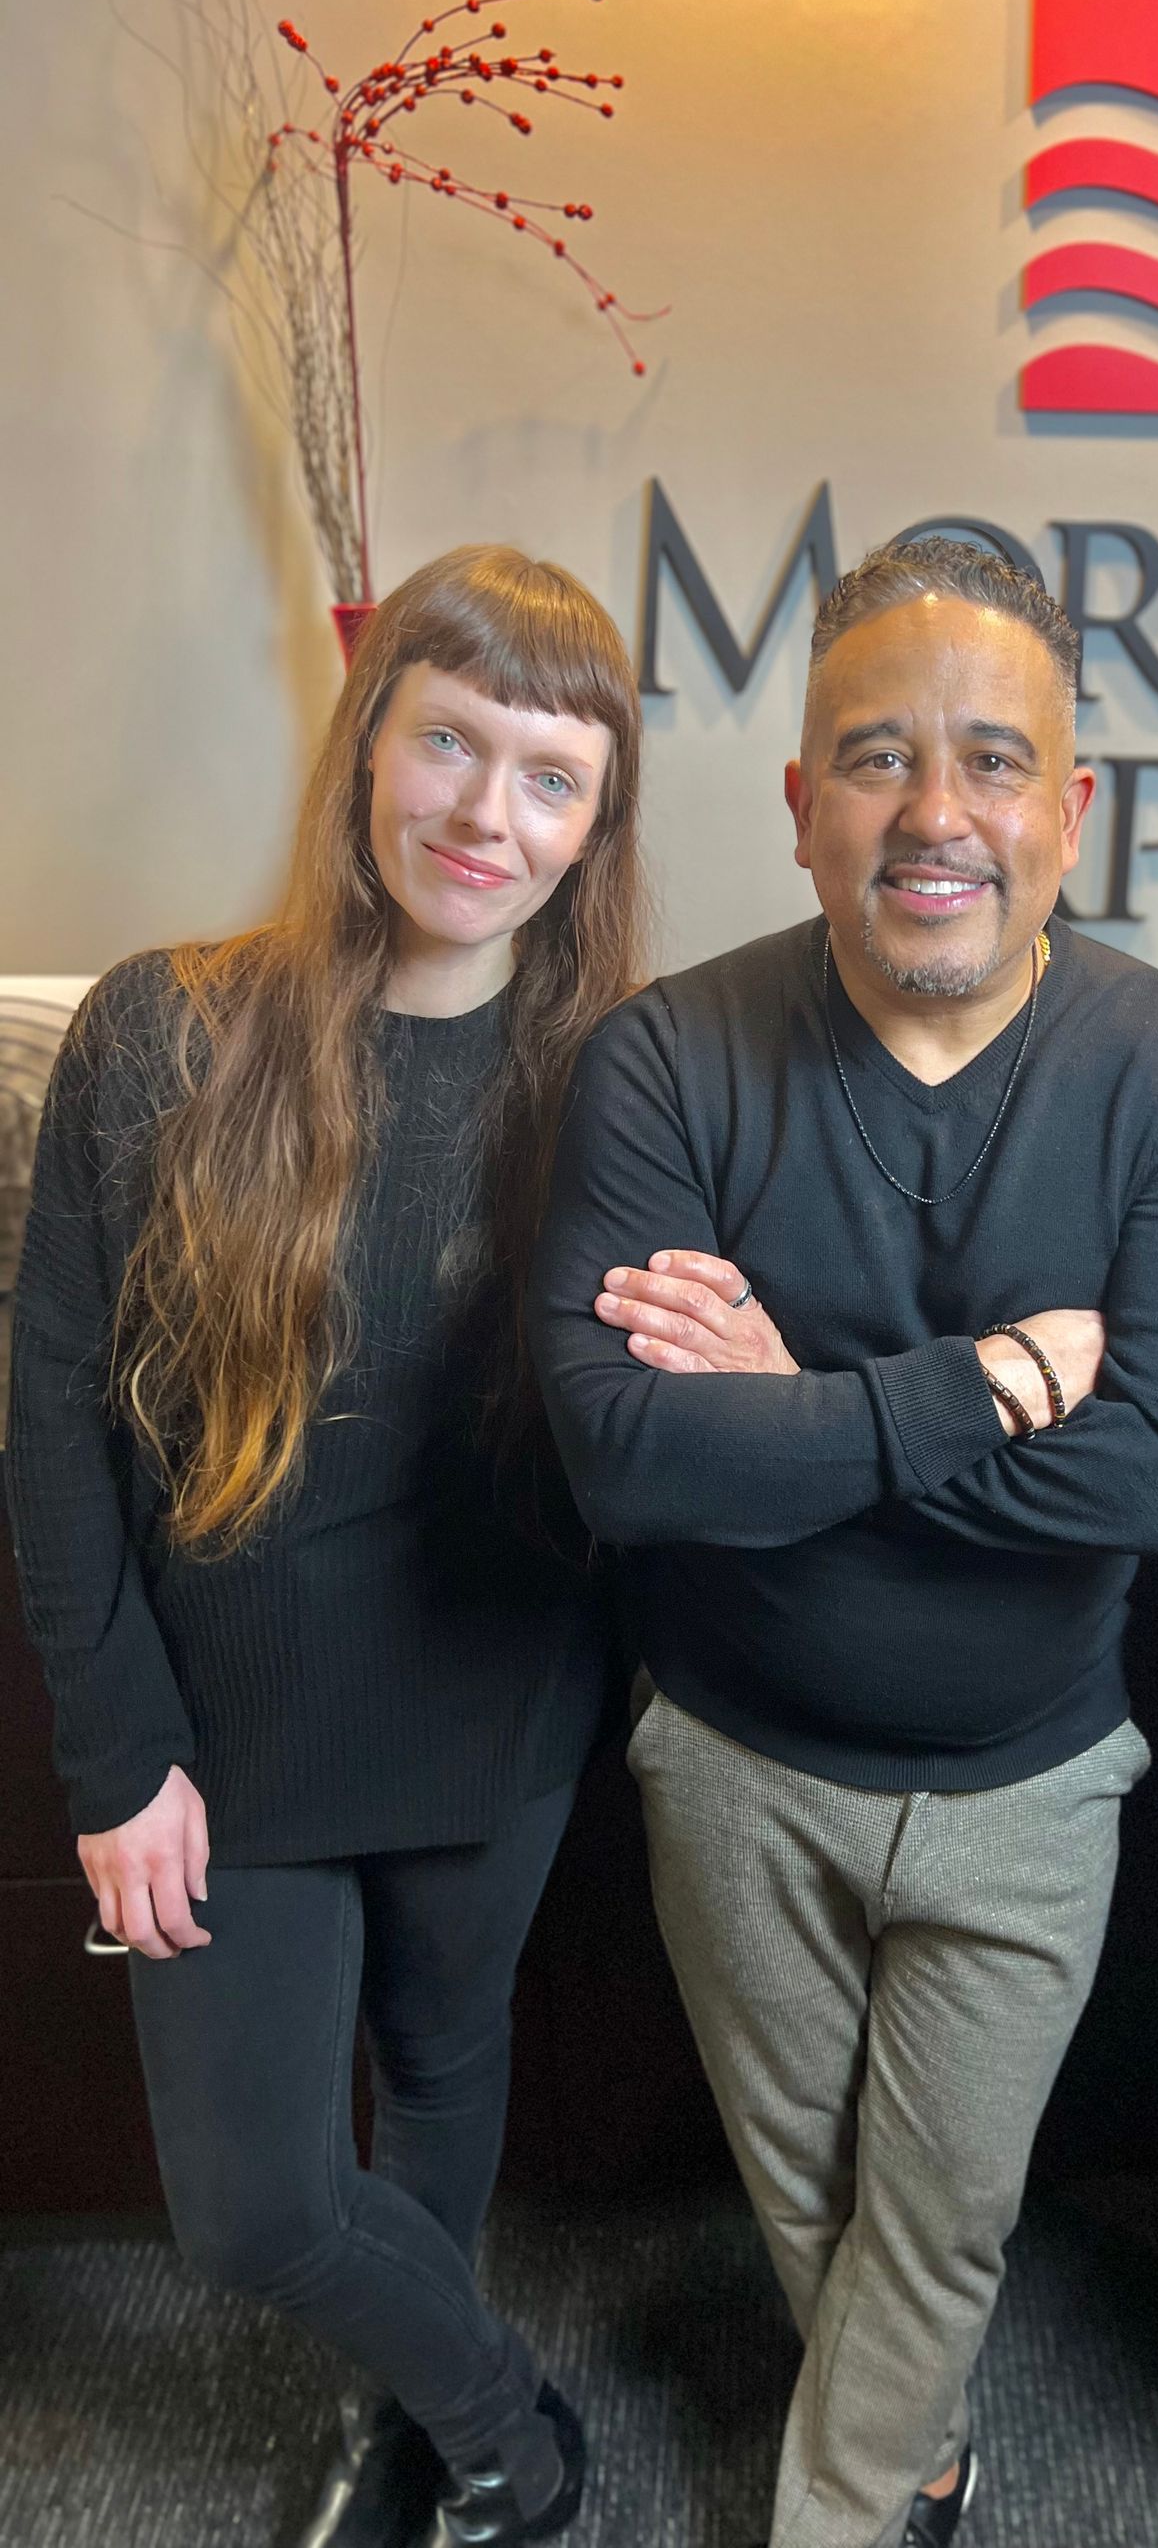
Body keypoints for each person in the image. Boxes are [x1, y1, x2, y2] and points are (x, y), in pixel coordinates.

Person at [529, 535, 1158, 2548]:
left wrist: (783, 1400)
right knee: (806, 2187)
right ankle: (928, 2448)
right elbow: (623, 1455)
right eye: (875, 758)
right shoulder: (668, 1060)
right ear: (799, 808)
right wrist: (971, 1388)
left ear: (1073, 810)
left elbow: (1147, 1481)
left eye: (990, 760)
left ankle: (846, 2510)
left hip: (1032, 1776)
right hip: (732, 1757)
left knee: (943, 2195)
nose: (934, 813)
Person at [5, 547, 647, 2548]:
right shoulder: (160, 1032)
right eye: (450, 742)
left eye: (548, 777)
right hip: (225, 1726)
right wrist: (116, 1754)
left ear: (595, 829)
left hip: (495, 1700)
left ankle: (412, 2433)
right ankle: (508, 2426)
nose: (484, 812)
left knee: (450, 2083)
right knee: (256, 2200)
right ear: (371, 743)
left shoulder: (624, 1084)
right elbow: (51, 1415)